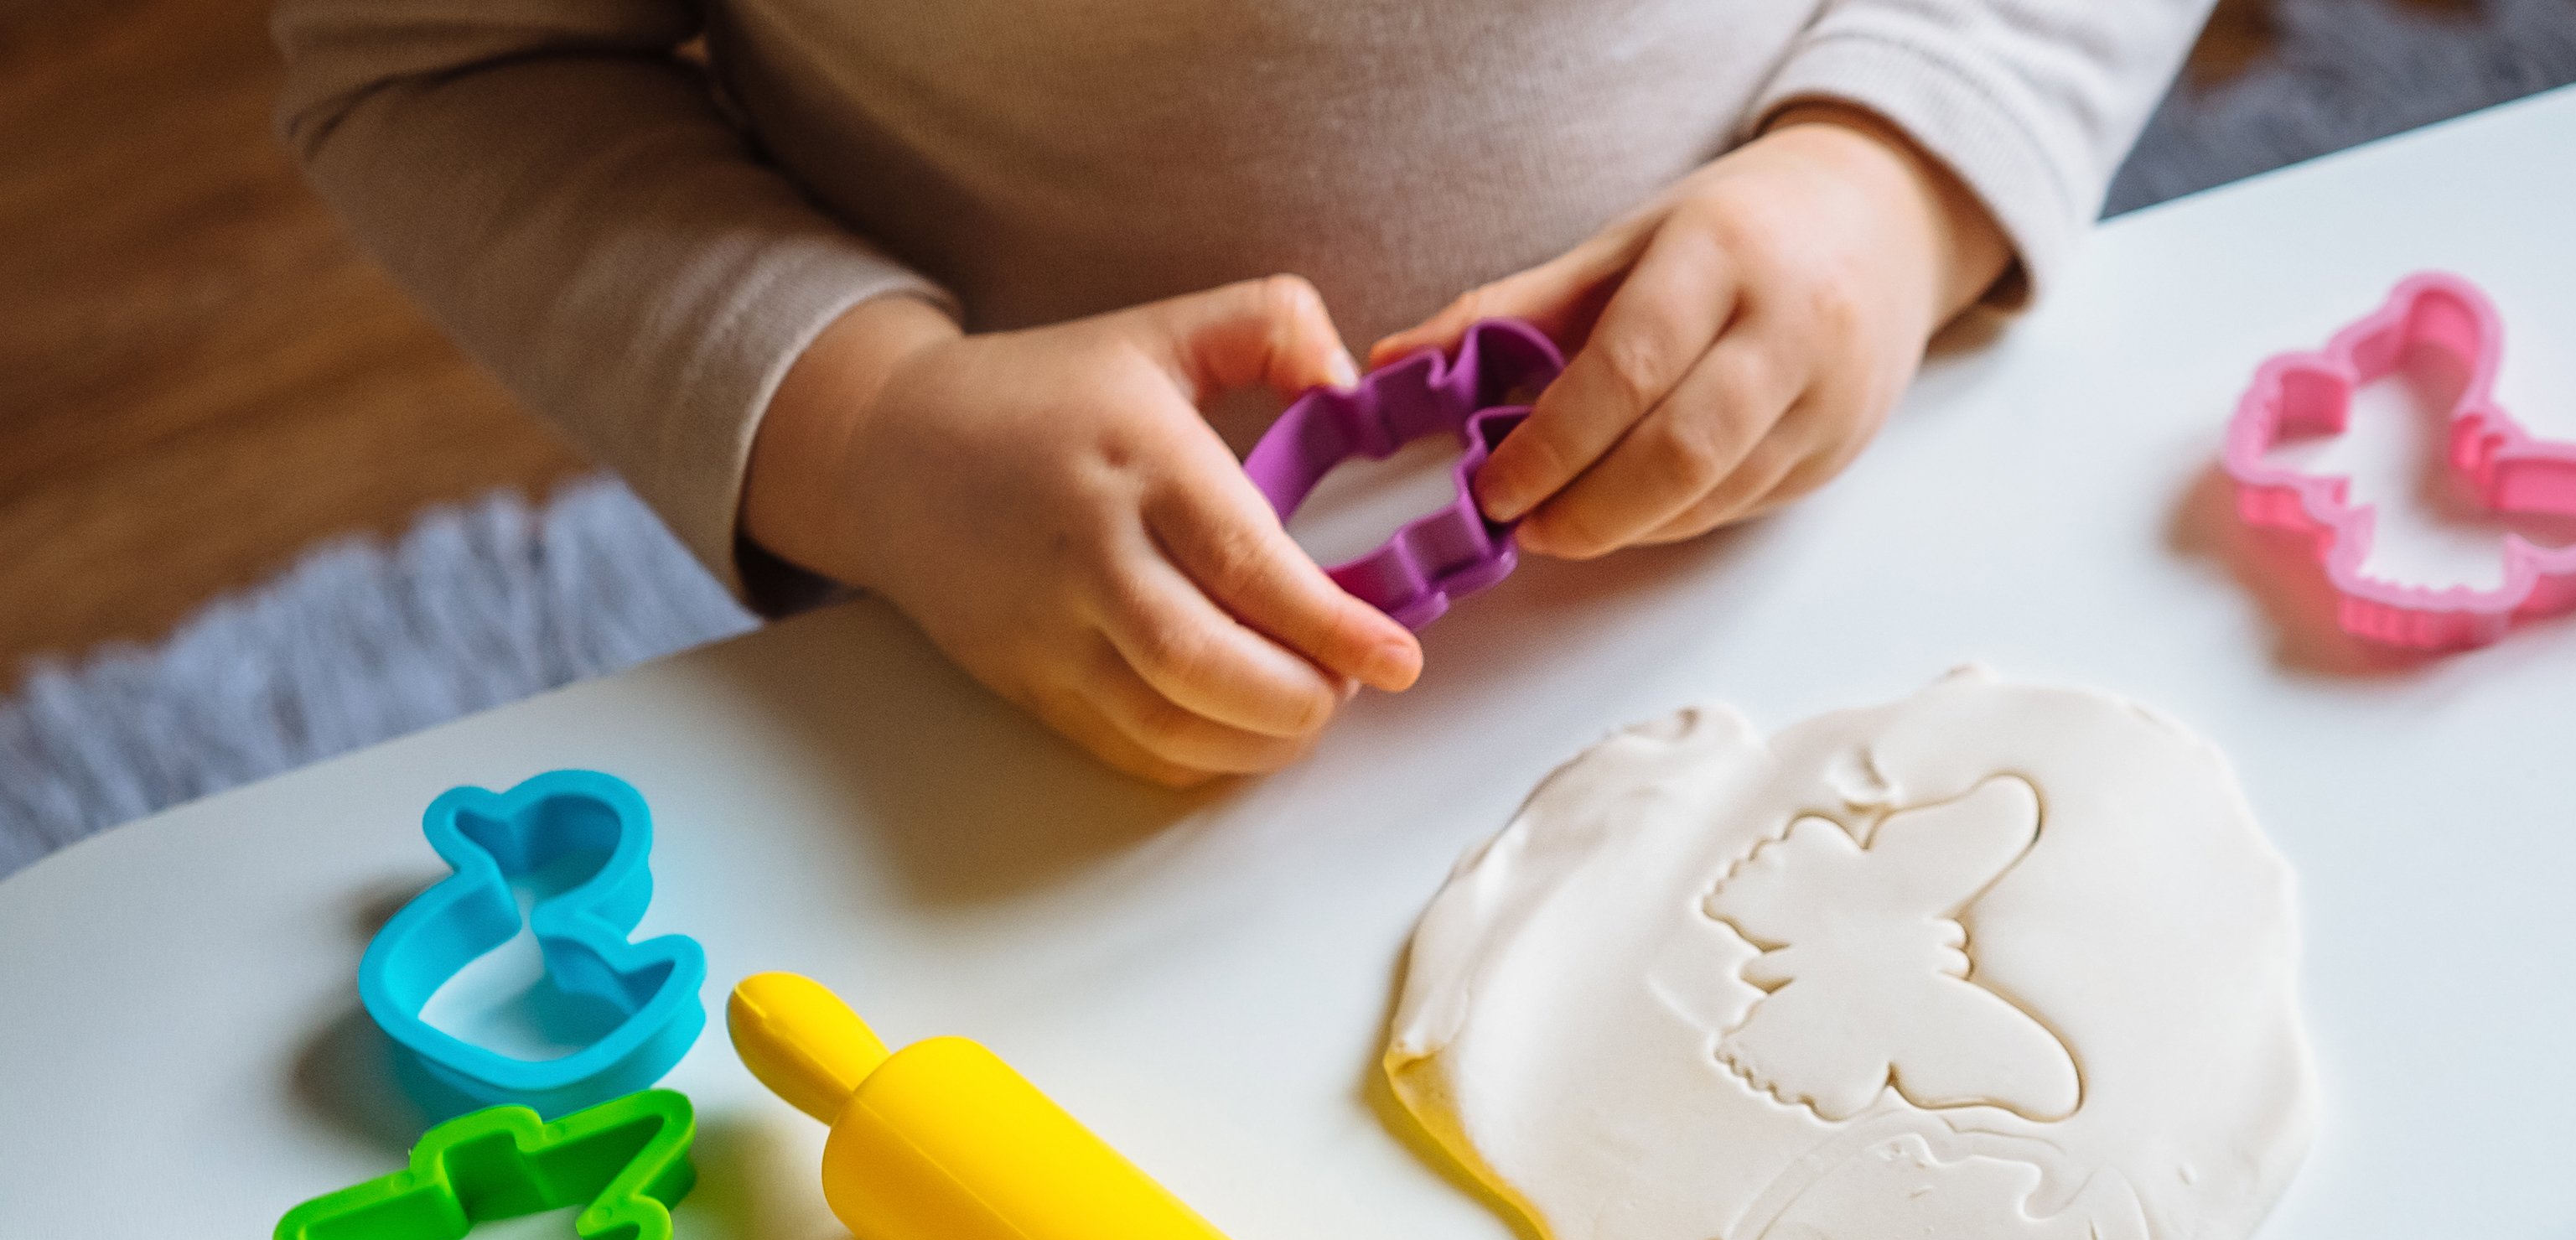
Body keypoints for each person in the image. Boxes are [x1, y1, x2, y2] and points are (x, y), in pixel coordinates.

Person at [274, 2, 2209, 786]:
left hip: (1845, 532)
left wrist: (1899, 174)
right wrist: (869, 426)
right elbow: (440, 60)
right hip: (1045, 655)